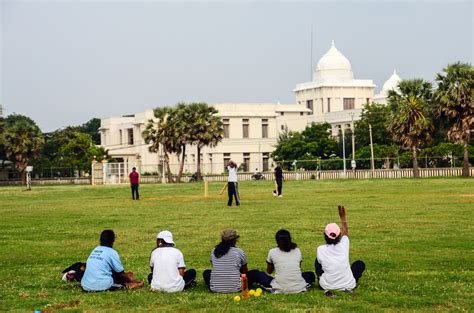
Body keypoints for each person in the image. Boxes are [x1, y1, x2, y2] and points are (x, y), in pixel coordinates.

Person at [315, 206, 366, 297]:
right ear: (339, 235)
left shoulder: (320, 249)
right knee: (359, 264)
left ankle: (322, 280)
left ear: (325, 235)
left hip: (327, 285)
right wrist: (343, 217)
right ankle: (344, 281)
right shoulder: (344, 244)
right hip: (348, 285)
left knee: (318, 261)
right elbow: (345, 232)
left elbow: (320, 267)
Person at [254, 229, 315, 293]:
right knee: (310, 274)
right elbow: (299, 268)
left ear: (277, 241)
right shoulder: (297, 250)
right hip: (299, 286)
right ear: (290, 239)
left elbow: (269, 271)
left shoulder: (272, 252)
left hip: (279, 287)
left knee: (258, 274)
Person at [203, 229, 257, 293]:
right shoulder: (239, 252)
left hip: (215, 288)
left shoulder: (214, 251)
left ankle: (218, 284)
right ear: (235, 240)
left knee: (206, 272)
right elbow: (244, 272)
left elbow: (216, 267)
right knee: (254, 273)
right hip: (237, 288)